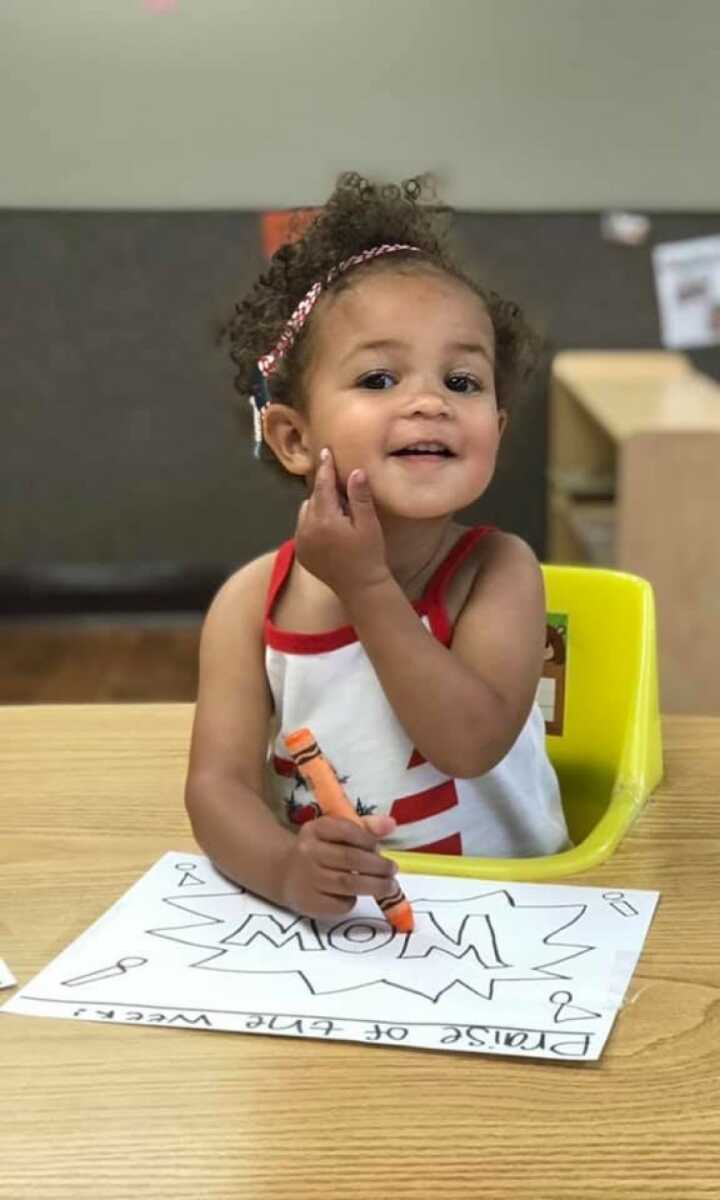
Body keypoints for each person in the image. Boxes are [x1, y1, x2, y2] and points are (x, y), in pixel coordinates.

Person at [185, 173, 569, 921]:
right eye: (380, 376)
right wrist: (285, 869)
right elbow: (216, 788)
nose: (428, 401)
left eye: (462, 380)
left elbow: (469, 744)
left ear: (497, 427)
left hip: (517, 920)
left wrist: (367, 589)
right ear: (293, 437)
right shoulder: (247, 603)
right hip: (343, 929)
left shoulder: (500, 572)